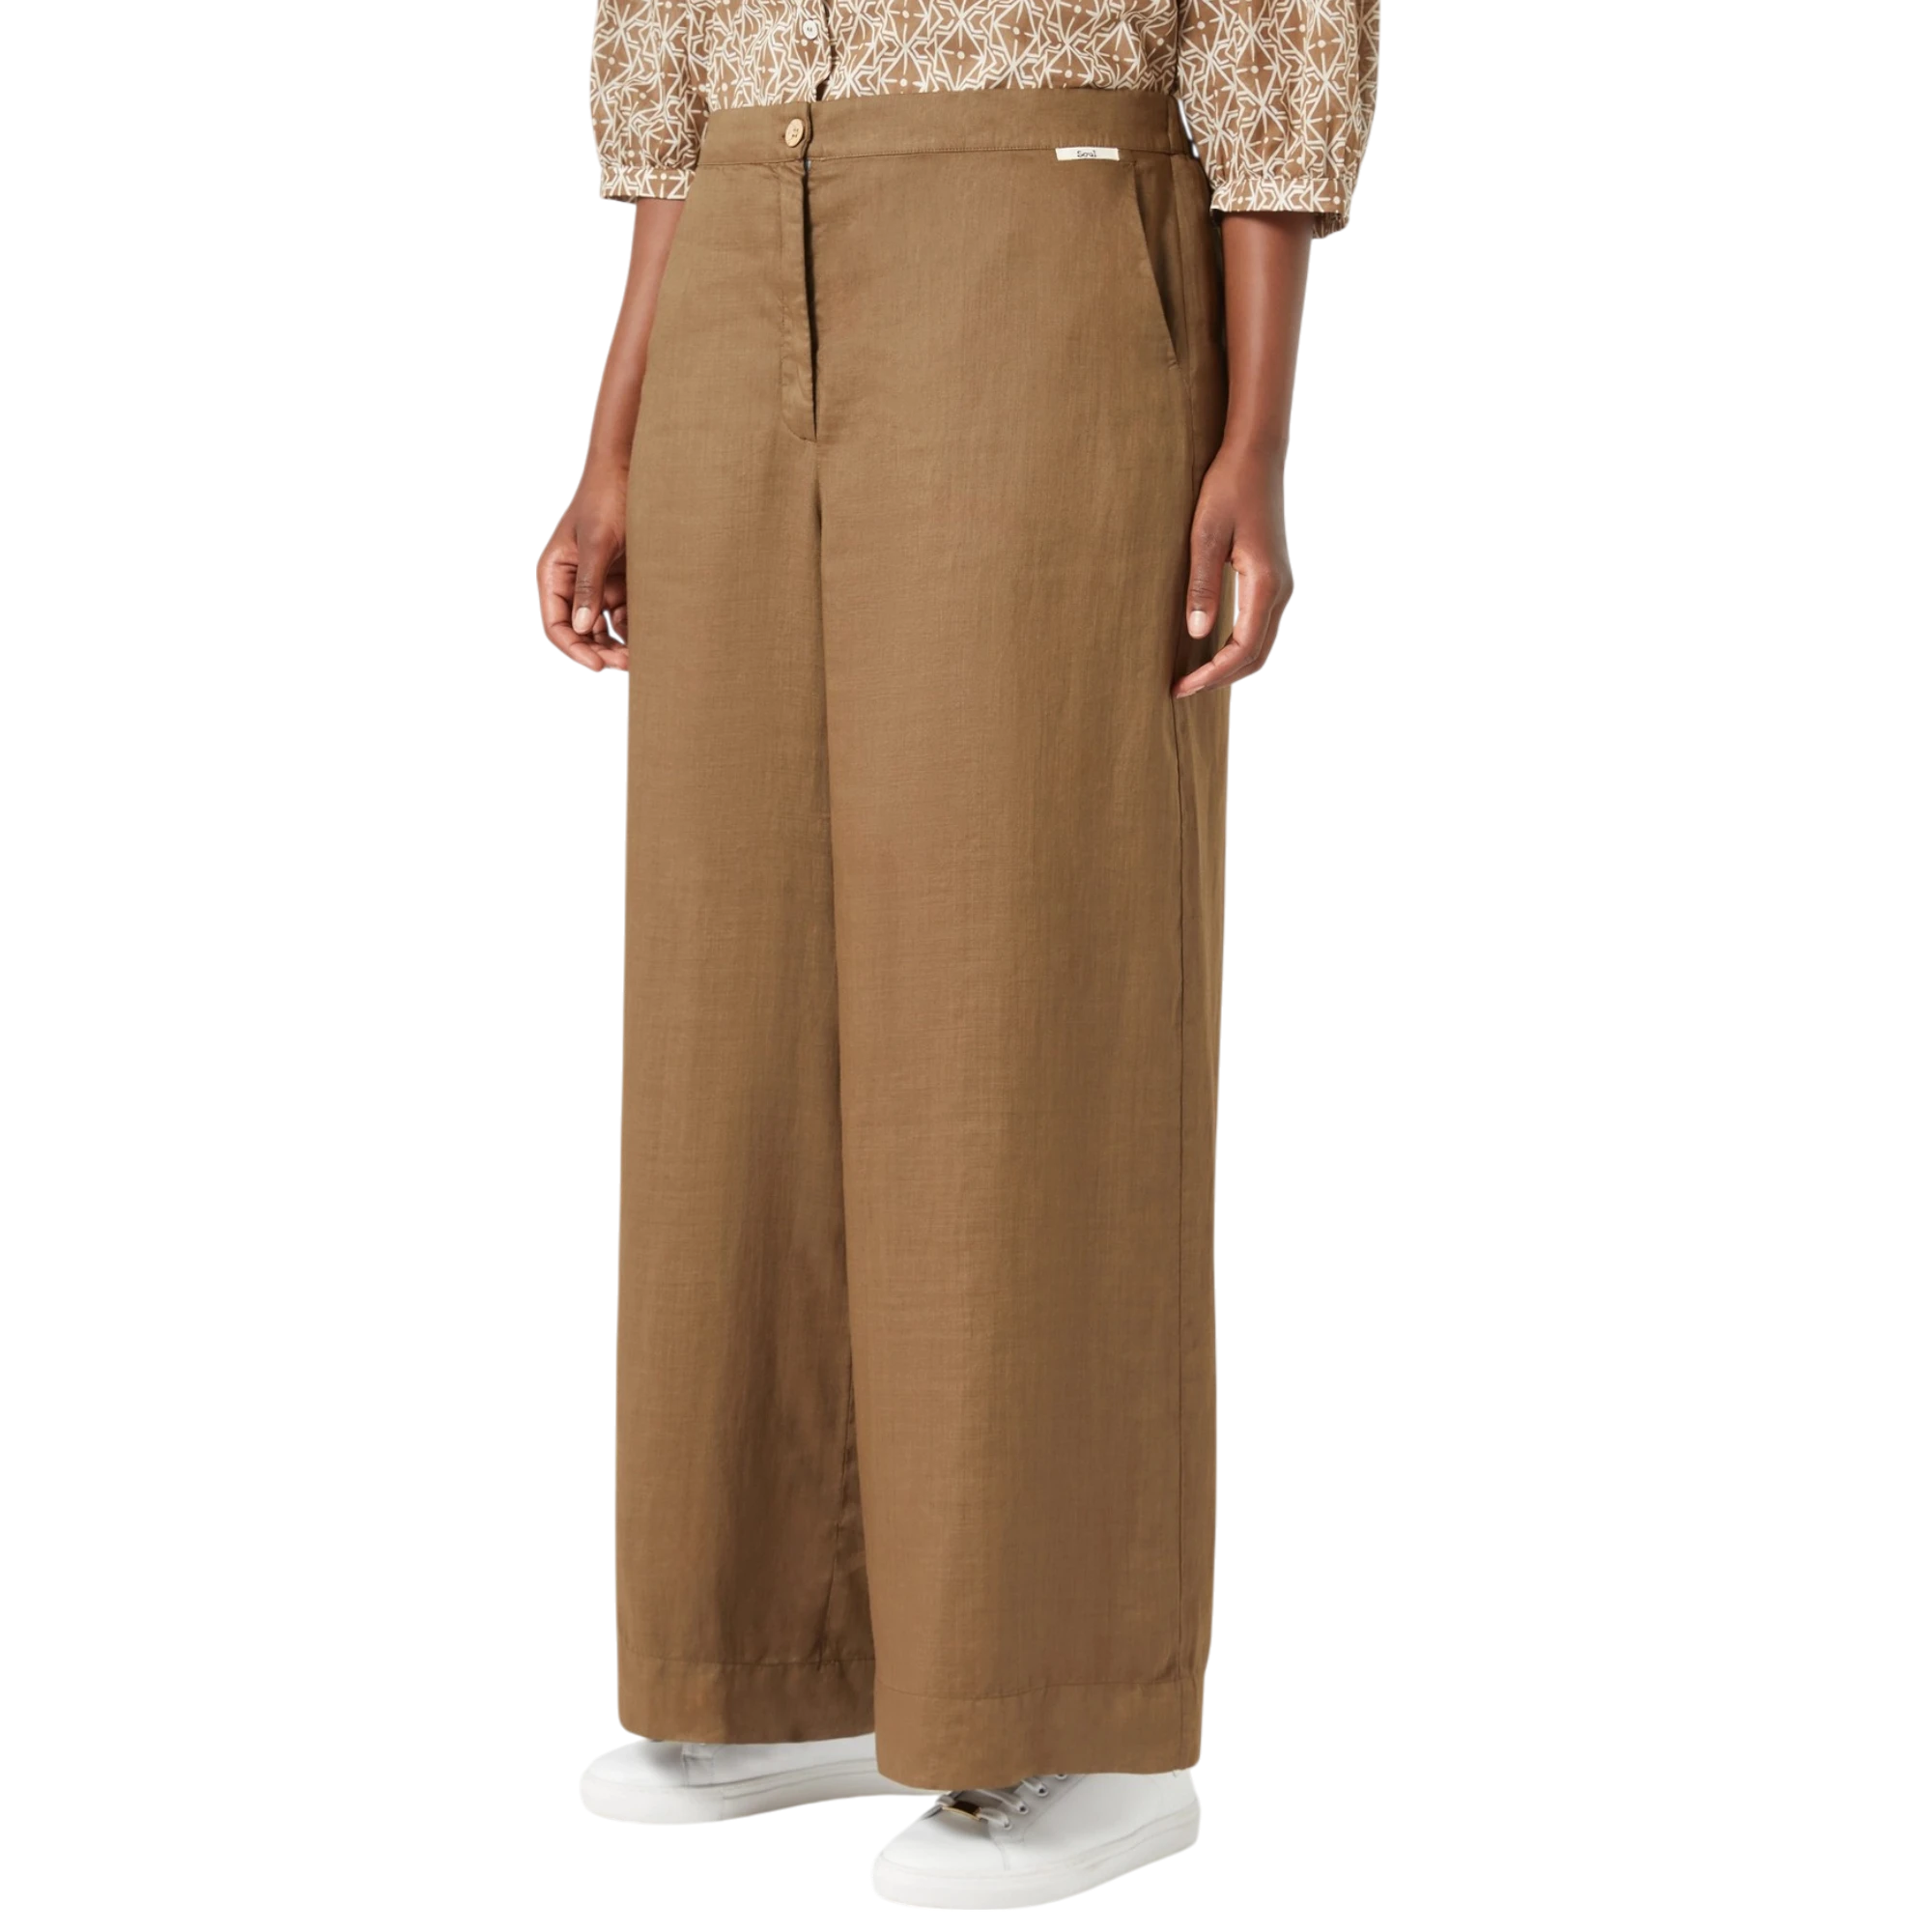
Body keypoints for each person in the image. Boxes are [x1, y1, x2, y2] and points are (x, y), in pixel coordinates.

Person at [545, 2, 1380, 1909]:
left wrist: (1255, 435)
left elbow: (1272, 36)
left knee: (1021, 966)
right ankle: (774, 1659)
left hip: (1047, 215)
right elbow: (671, 82)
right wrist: (615, 435)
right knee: (732, 990)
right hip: (736, 241)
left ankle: (1079, 1718)